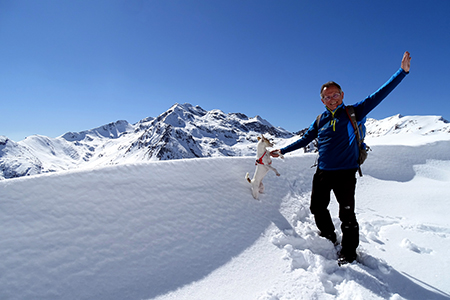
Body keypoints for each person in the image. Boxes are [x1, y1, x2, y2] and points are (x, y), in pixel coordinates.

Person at [270, 51, 411, 265]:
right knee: (317, 208)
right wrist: (283, 151)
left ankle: (349, 251)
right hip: (323, 172)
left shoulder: (354, 112)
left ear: (342, 95)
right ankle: (328, 236)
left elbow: (379, 95)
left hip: (345, 173)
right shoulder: (320, 120)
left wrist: (402, 73)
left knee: (347, 215)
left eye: (335, 94)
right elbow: (305, 139)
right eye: (327, 96)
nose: (332, 99)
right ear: (321, 99)